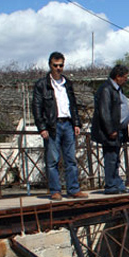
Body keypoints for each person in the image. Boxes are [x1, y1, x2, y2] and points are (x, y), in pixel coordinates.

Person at [32, 51, 88, 201]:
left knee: (71, 159)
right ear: (50, 65)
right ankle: (55, 191)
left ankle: (73, 189)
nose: (58, 68)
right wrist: (42, 128)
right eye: (55, 65)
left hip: (67, 124)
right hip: (52, 126)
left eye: (61, 65)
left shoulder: (67, 83)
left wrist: (76, 123)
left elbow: (73, 104)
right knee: (53, 160)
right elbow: (37, 107)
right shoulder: (42, 85)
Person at [91, 64, 129, 195]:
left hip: (118, 130)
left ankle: (117, 183)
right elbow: (105, 111)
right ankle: (111, 185)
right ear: (117, 76)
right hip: (110, 132)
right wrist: (110, 130)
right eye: (124, 77)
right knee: (110, 158)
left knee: (115, 158)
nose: (126, 80)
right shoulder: (106, 89)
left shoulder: (118, 89)